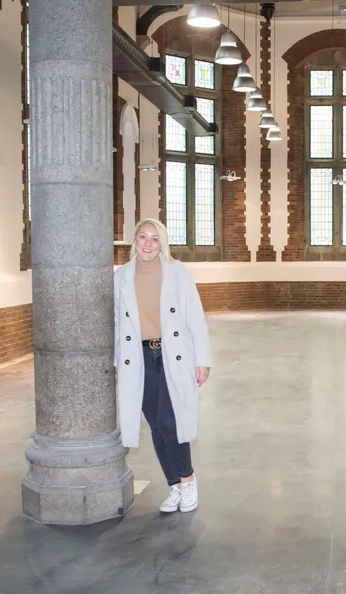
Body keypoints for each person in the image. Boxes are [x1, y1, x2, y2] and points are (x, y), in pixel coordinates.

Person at [114, 218, 212, 514]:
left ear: (162, 244)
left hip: (171, 356)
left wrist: (202, 359)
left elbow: (195, 316)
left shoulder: (177, 274)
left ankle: (188, 477)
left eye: (154, 239)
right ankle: (174, 486)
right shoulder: (121, 277)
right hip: (138, 359)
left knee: (172, 422)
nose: (147, 244)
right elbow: (117, 323)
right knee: (156, 426)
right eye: (142, 237)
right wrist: (117, 362)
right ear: (134, 241)